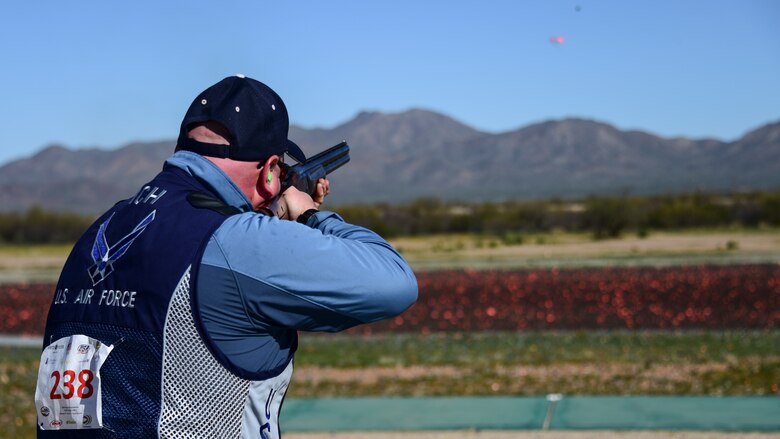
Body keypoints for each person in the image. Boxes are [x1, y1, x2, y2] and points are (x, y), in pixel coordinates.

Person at [35, 75, 418, 438]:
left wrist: (268, 222)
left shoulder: (100, 228)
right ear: (271, 172)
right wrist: (307, 215)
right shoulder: (233, 241)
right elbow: (394, 281)